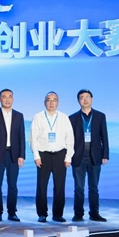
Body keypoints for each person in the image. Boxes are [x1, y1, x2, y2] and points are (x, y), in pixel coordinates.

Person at [30, 91, 74, 223]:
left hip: (60, 155)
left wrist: (68, 157)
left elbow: (70, 138)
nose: (51, 102)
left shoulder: (64, 118)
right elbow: (33, 138)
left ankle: (58, 214)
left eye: (54, 100)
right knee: (41, 186)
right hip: (43, 155)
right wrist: (36, 155)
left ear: (58, 103)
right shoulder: (38, 117)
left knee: (59, 186)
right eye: (49, 100)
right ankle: (42, 214)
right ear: (45, 103)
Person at [69, 89, 109, 222]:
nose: (85, 100)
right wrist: (68, 156)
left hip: (95, 156)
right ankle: (78, 214)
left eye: (87, 97)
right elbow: (69, 140)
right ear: (78, 101)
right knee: (78, 188)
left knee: (94, 188)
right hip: (78, 156)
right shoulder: (72, 118)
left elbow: (104, 136)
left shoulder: (100, 116)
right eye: (82, 97)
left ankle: (94, 213)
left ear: (91, 99)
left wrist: (105, 154)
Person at [0, 89, 25, 222]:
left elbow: (21, 137)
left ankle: (12, 212)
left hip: (13, 155)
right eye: (4, 97)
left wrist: (21, 155)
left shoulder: (19, 116)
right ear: (0, 99)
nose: (7, 99)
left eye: (10, 97)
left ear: (13, 99)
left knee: (12, 185)